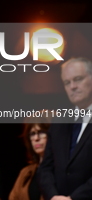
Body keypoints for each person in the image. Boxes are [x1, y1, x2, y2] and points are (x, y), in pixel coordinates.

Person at [38, 57, 92, 200]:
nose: (72, 86)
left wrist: (73, 198)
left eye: (78, 79)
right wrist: (54, 196)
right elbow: (45, 168)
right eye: (67, 83)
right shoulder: (59, 121)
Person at [9, 118, 50, 200]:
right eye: (32, 134)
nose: (36, 138)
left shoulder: (63, 170)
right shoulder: (25, 172)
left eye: (41, 132)